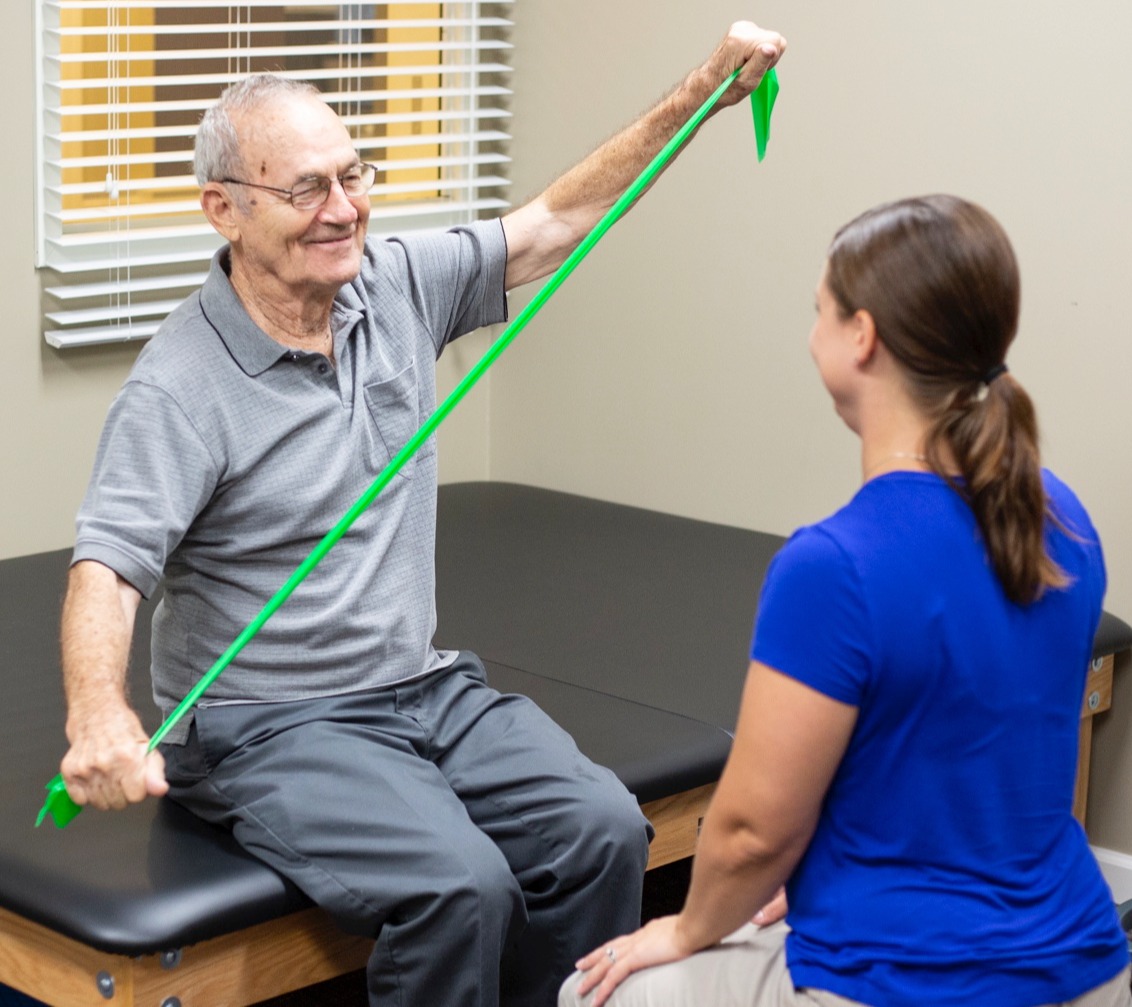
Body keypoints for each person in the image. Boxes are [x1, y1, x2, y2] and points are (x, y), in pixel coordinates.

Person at [54, 20, 787, 1007]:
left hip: (421, 687)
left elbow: (557, 221)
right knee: (459, 886)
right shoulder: (180, 385)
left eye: (354, 176)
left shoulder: (395, 285)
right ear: (222, 208)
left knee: (601, 826)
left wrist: (695, 96)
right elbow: (109, 563)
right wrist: (99, 710)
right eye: (306, 188)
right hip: (267, 726)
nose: (343, 209)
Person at [560, 195, 1132, 1007]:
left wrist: (682, 929)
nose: (812, 331)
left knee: (590, 992)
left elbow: (755, 831)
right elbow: (964, 748)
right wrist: (830, 867)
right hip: (1086, 964)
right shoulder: (1059, 513)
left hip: (905, 984)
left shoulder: (834, 564)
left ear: (860, 336)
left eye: (819, 311)